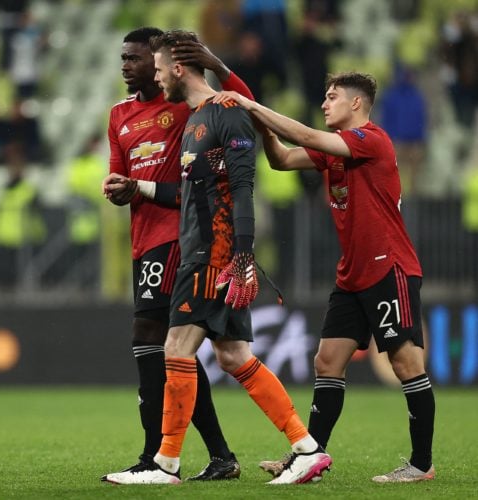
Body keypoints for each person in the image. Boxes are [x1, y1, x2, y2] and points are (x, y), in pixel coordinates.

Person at [102, 29, 330, 486]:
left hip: (213, 251)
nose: (158, 76)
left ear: (178, 68)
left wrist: (242, 251)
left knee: (176, 347)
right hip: (206, 250)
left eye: (161, 67)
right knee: (232, 355)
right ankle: (305, 449)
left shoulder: (224, 111)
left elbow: (245, 185)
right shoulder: (194, 120)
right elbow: (192, 189)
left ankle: (165, 463)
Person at [215, 71, 435, 483]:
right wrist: (262, 126)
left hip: (389, 268)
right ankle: (309, 458)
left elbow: (310, 138)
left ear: (356, 104)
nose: (323, 104)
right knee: (327, 361)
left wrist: (253, 106)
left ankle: (421, 464)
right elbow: (281, 159)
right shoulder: (334, 152)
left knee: (406, 362)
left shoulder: (373, 140)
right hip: (352, 275)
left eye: (331, 97)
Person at [100, 27, 252, 484]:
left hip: (181, 238)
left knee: (151, 336)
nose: (125, 64)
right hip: (144, 237)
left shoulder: (187, 106)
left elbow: (243, 104)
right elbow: (117, 174)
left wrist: (219, 64)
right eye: (122, 57)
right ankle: (219, 454)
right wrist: (119, 189)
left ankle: (156, 457)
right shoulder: (120, 115)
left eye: (134, 57)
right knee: (178, 350)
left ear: (162, 62)